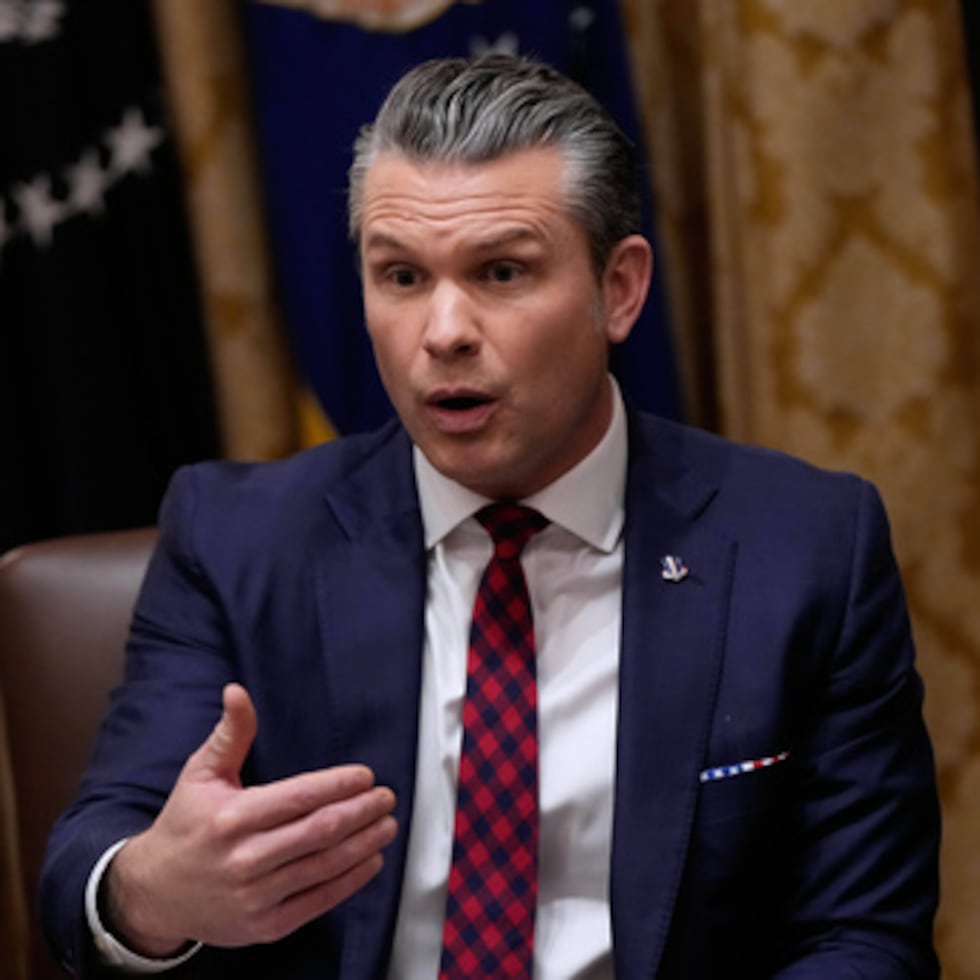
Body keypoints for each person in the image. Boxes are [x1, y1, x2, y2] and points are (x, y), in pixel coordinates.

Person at [40, 53, 940, 978]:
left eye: (502, 272)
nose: (443, 332)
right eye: (400, 278)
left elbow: (863, 935)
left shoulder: (806, 549)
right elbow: (89, 857)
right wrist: (153, 891)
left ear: (619, 289)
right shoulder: (234, 538)